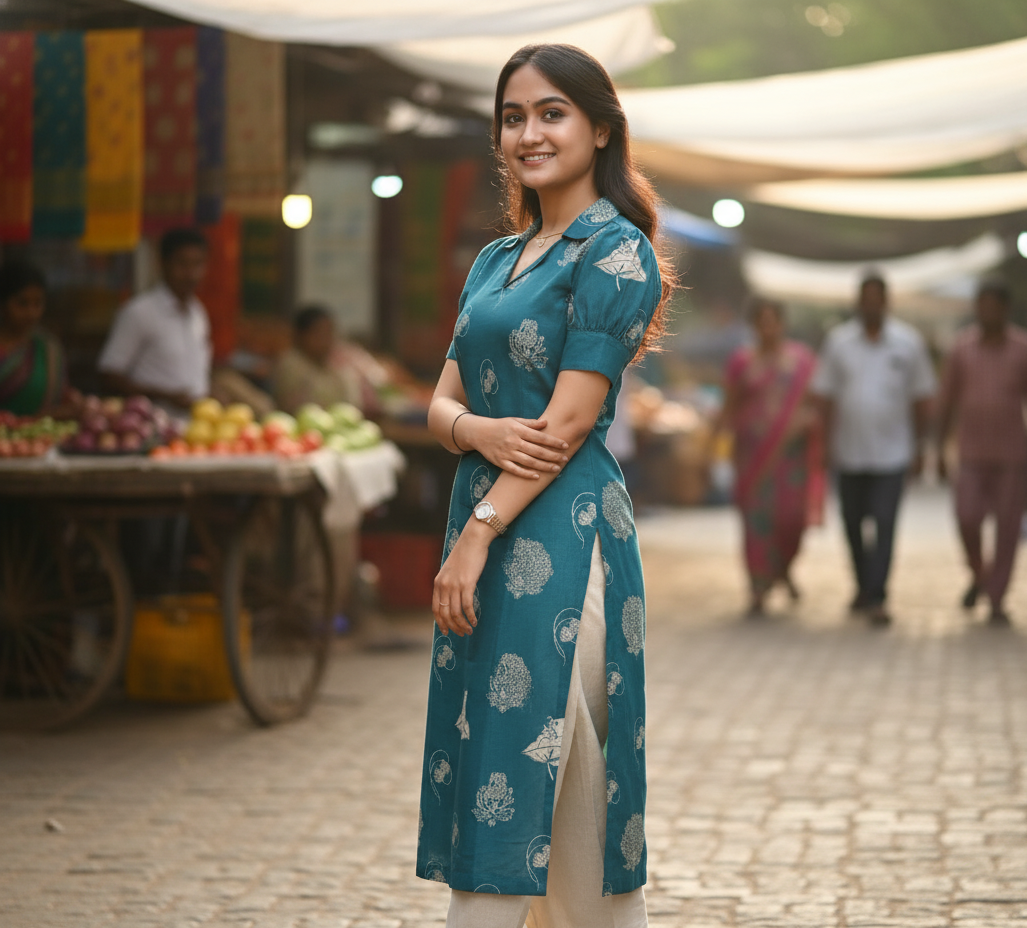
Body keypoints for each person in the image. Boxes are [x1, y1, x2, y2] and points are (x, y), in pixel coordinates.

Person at [416, 44, 674, 928]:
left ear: (600, 129)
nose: (529, 133)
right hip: (490, 519)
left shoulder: (616, 253)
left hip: (564, 538)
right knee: (543, 764)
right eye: (513, 116)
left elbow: (565, 426)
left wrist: (477, 531)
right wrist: (477, 431)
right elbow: (440, 403)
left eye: (551, 113)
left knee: (530, 756)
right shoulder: (496, 259)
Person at [811, 274, 936, 626]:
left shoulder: (908, 343)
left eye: (876, 298)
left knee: (884, 523)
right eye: (865, 299)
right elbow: (824, 396)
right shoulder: (839, 342)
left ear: (885, 302)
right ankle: (863, 586)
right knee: (852, 523)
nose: (870, 305)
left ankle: (878, 596)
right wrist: (824, 445)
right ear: (858, 302)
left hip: (893, 453)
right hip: (848, 451)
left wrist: (921, 448)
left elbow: (922, 398)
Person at [709, 298, 823, 616]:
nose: (769, 328)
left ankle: (783, 568)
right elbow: (729, 405)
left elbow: (818, 404)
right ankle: (758, 586)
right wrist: (713, 449)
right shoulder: (742, 362)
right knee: (756, 522)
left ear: (783, 324)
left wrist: (808, 421)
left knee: (791, 520)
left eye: (774, 321)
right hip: (752, 457)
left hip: (791, 458)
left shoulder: (802, 361)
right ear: (754, 326)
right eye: (762, 322)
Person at [936, 281, 1027, 626]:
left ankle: (997, 597)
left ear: (1004, 309)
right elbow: (947, 400)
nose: (987, 312)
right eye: (982, 305)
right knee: (967, 517)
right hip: (971, 453)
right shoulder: (962, 349)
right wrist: (937, 449)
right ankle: (980, 574)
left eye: (993, 306)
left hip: (1012, 456)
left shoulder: (1021, 349)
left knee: (1007, 528)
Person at [98, 227, 211, 412]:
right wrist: (165, 396)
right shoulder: (139, 313)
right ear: (163, 264)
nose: (191, 274)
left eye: (197, 264)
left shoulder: (198, 313)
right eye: (182, 264)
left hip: (197, 423)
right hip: (152, 423)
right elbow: (109, 375)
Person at [0, 260, 80, 416]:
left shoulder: (48, 348)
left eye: (38, 303)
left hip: (40, 431)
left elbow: (60, 395)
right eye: (22, 303)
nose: (31, 313)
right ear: (2, 304)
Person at [272, 304, 361, 415]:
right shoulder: (290, 364)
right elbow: (298, 408)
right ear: (301, 335)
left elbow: (352, 403)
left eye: (329, 333)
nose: (326, 339)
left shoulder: (334, 364)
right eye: (319, 333)